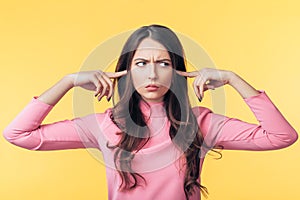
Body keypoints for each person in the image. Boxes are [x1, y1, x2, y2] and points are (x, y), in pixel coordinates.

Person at [3, 24, 298, 200]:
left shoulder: (200, 122)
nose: (152, 74)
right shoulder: (104, 124)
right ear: (127, 70)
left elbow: (281, 137)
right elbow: (18, 134)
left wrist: (234, 79)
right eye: (141, 63)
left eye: (164, 63)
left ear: (177, 70)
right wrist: (67, 81)